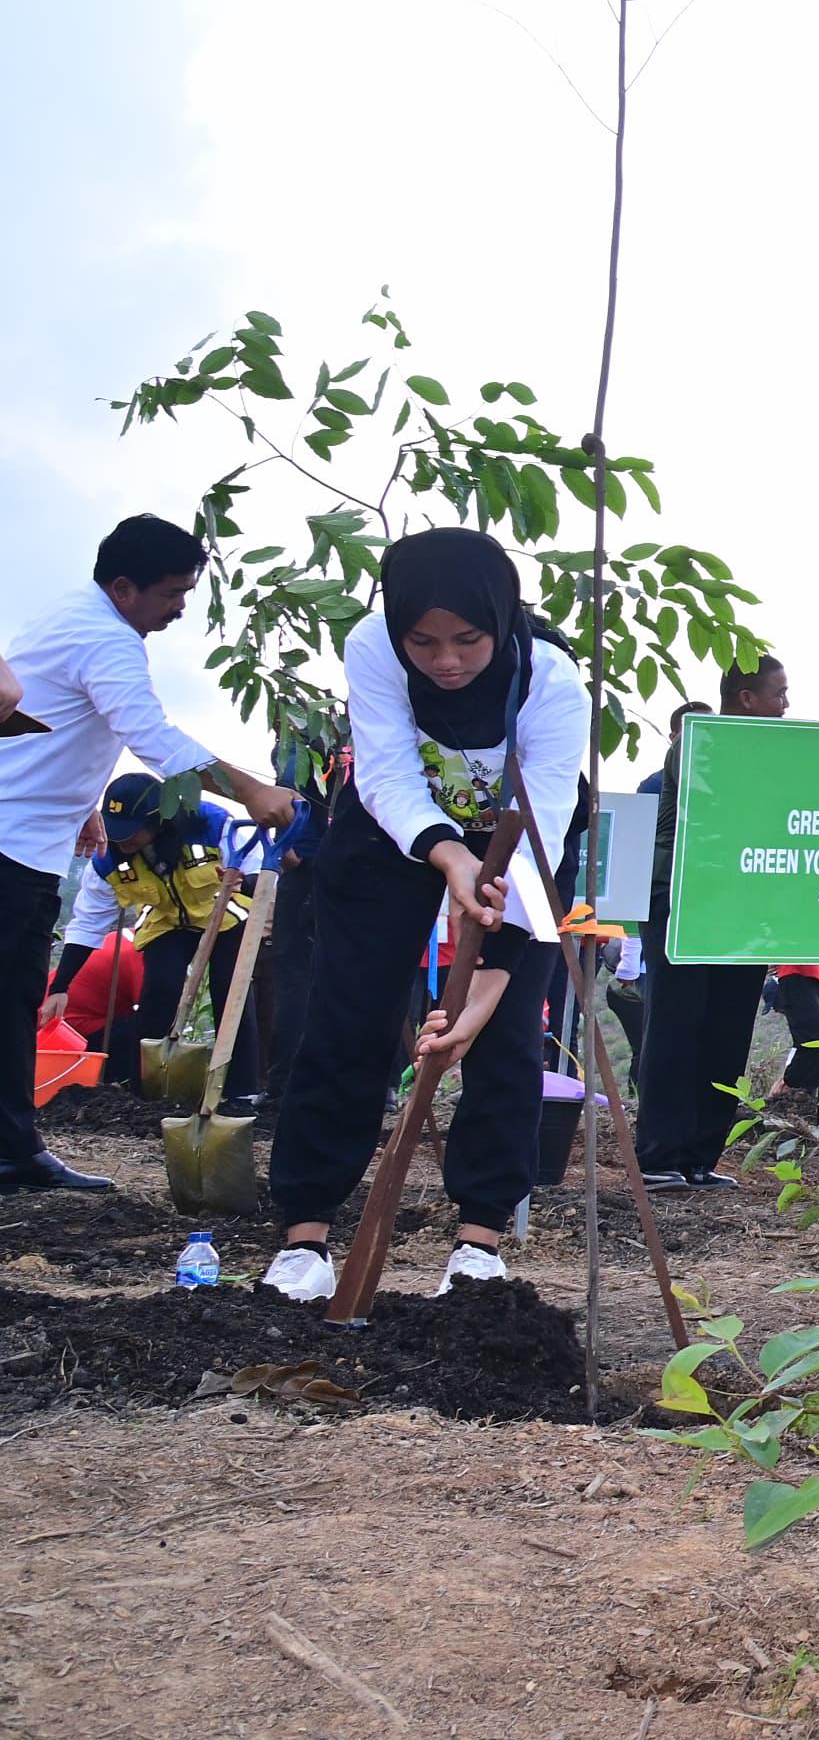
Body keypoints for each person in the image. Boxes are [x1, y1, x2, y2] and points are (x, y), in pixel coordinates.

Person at [263, 528, 575, 1300]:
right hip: (392, 826)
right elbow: (389, 774)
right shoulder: (372, 645)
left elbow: (543, 827)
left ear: (501, 620)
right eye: (423, 640)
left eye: (468, 638)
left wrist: (490, 983)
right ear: (396, 625)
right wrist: (446, 851)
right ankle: (305, 1237)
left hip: (520, 839)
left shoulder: (551, 679)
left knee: (505, 1040)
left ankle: (478, 1243)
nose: (445, 660)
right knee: (348, 1013)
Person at [0, 516, 298, 1192]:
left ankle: (13, 1148)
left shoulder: (69, 616)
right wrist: (249, 787)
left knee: (14, 1003)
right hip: (10, 844)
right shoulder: (106, 638)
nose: (180, 608)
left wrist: (82, 806)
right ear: (124, 586)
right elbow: (151, 735)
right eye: (172, 593)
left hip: (30, 839)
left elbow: (50, 716)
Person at [633, 655, 792, 1188]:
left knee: (728, 1028)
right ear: (747, 699)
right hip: (680, 899)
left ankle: (700, 1157)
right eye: (779, 694)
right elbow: (726, 814)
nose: (786, 705)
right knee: (678, 1023)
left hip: (741, 904)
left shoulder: (770, 753)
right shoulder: (698, 742)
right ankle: (659, 1156)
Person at [77, 771, 246, 1099]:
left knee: (233, 994)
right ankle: (145, 1090)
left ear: (158, 819)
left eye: (131, 830)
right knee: (161, 991)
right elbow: (87, 922)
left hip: (222, 914)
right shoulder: (110, 857)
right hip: (165, 923)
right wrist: (60, 985)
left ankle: (240, 1090)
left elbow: (251, 867)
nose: (121, 840)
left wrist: (242, 881)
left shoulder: (208, 824)